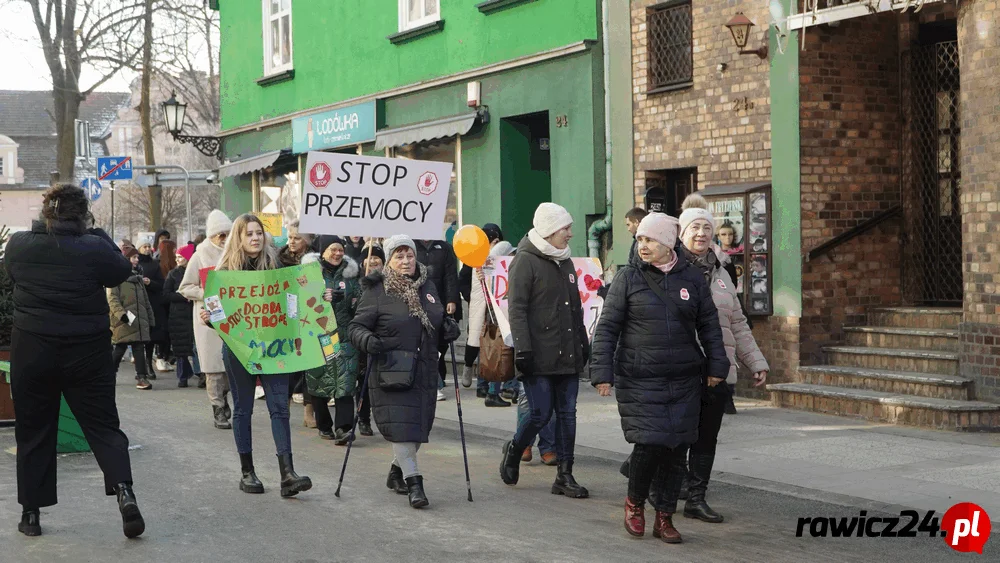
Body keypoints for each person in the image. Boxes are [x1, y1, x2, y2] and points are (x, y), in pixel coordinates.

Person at [5, 184, 145, 538]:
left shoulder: (19, 246)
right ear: (83, 214)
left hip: (33, 349)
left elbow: (14, 274)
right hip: (87, 352)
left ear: (45, 212)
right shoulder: (94, 246)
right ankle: (124, 492)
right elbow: (118, 269)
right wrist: (96, 232)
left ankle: (31, 514)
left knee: (34, 430)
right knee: (102, 426)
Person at [591, 212, 729, 543]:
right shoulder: (627, 279)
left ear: (668, 243)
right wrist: (601, 372)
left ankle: (664, 517)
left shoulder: (692, 279)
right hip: (640, 377)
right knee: (649, 445)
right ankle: (635, 504)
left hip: (683, 378)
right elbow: (607, 327)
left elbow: (709, 325)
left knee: (676, 448)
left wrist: (716, 367)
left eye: (649, 239)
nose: (642, 245)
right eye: (639, 239)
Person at [199, 213, 312, 498]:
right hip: (239, 350)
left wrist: (318, 298)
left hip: (274, 348)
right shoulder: (223, 274)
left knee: (280, 408)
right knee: (243, 409)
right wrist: (208, 317)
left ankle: (287, 473)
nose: (255, 238)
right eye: (249, 233)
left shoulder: (279, 266)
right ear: (239, 237)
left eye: (259, 233)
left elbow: (295, 304)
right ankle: (247, 472)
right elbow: (217, 315)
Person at [674, 194, 768, 523]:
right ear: (681, 233)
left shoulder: (721, 272)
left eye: (706, 228)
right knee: (675, 434)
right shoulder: (668, 269)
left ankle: (696, 498)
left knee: (706, 436)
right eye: (694, 227)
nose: (701, 233)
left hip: (717, 367)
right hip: (680, 368)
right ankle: (651, 472)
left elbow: (737, 322)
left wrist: (755, 360)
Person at [349, 235, 460, 508]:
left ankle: (396, 472)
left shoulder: (427, 286)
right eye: (399, 256)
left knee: (417, 428)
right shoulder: (377, 290)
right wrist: (367, 341)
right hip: (390, 370)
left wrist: (448, 327)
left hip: (424, 370)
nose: (406, 261)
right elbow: (355, 328)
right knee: (403, 431)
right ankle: (415, 483)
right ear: (388, 260)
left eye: (409, 255)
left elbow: (436, 319)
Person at [498, 202, 590, 498]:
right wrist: (522, 350)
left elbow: (575, 308)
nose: (570, 234)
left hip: (568, 353)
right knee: (539, 413)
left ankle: (565, 475)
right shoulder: (524, 260)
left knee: (567, 415)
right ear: (550, 230)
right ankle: (514, 448)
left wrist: (583, 342)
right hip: (537, 354)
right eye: (565, 228)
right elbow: (518, 309)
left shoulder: (565, 261)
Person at [302, 236, 361, 445]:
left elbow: (360, 304)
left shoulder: (351, 275)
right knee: (320, 381)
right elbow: (300, 302)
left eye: (340, 250)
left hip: (344, 337)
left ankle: (343, 428)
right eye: (332, 249)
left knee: (345, 382)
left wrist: (352, 301)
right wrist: (320, 299)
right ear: (322, 251)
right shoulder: (308, 274)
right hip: (318, 337)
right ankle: (324, 425)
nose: (337, 254)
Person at [179, 209, 234, 430]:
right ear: (211, 235)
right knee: (213, 368)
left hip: (233, 316)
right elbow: (185, 287)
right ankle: (217, 407)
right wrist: (206, 293)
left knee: (231, 364)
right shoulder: (199, 255)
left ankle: (226, 395)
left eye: (226, 234)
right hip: (208, 318)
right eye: (219, 234)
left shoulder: (235, 252)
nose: (223, 238)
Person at [277, 220, 316, 427]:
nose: (291, 242)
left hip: (309, 317)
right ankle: (285, 408)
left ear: (307, 241)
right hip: (285, 320)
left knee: (309, 366)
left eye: (297, 238)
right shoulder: (278, 258)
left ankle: (309, 412)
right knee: (288, 368)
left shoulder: (315, 259)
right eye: (289, 237)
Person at [414, 238, 460, 401]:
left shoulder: (444, 248)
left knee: (439, 344)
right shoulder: (412, 245)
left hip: (439, 301)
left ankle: (437, 378)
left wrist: (452, 299)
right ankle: (434, 383)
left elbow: (450, 275)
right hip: (417, 301)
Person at [109, 245, 157, 390]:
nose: (137, 260)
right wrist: (122, 315)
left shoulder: (138, 279)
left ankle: (141, 377)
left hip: (138, 321)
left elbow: (145, 301)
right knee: (119, 348)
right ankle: (109, 374)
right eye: (134, 257)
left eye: (137, 257)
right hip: (123, 321)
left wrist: (150, 318)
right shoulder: (116, 278)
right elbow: (112, 299)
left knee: (138, 347)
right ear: (126, 259)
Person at [354, 243, 385, 437]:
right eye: (369, 257)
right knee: (363, 380)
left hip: (382, 337)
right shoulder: (356, 281)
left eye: (377, 257)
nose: (373, 261)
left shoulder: (389, 281)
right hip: (363, 338)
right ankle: (363, 419)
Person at [164, 243, 197, 387]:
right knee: (180, 349)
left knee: (196, 347)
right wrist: (184, 296)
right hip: (177, 316)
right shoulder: (173, 274)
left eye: (180, 257)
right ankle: (182, 377)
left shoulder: (195, 272)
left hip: (193, 314)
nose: (177, 260)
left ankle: (200, 374)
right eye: (176, 257)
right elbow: (166, 295)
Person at [135, 234, 168, 375]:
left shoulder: (155, 264)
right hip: (138, 302)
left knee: (152, 336)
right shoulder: (135, 264)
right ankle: (141, 367)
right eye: (145, 247)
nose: (148, 249)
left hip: (153, 302)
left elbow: (161, 284)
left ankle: (149, 363)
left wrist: (150, 283)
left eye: (149, 246)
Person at [158, 239, 178, 366]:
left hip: (167, 304)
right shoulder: (166, 268)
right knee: (165, 332)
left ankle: (165, 355)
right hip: (166, 305)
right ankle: (163, 355)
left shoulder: (172, 267)